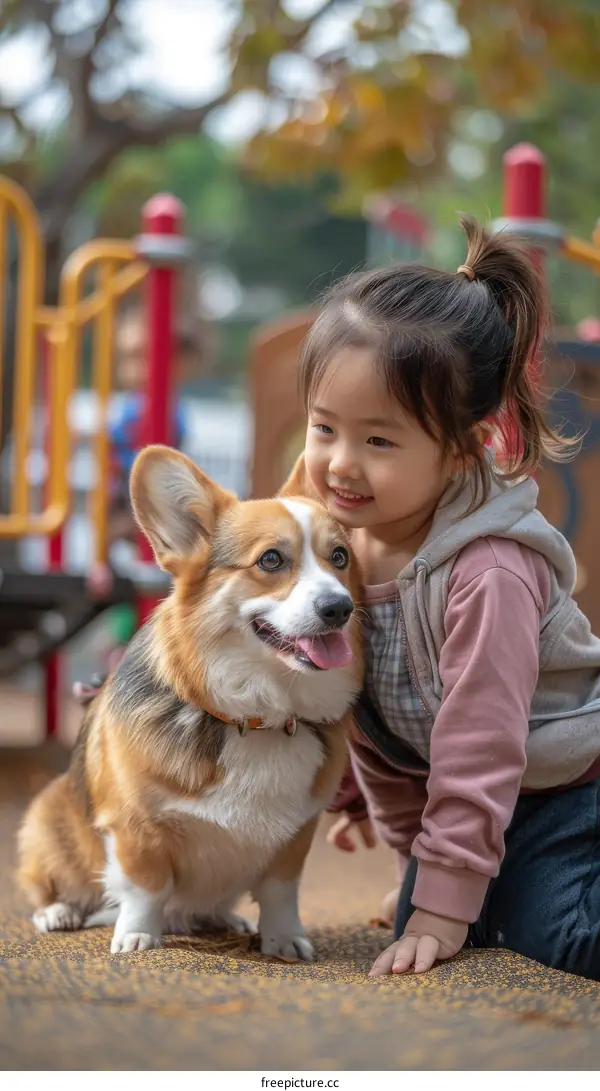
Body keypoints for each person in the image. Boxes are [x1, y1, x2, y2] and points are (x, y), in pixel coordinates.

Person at [300, 217, 600, 981]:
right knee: (445, 922)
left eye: (380, 440)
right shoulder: (340, 546)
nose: (340, 462)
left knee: (554, 936)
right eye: (324, 427)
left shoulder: (487, 570)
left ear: (462, 446)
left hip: (566, 791)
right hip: (476, 797)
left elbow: (479, 744)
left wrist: (442, 901)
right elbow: (377, 713)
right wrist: (406, 857)